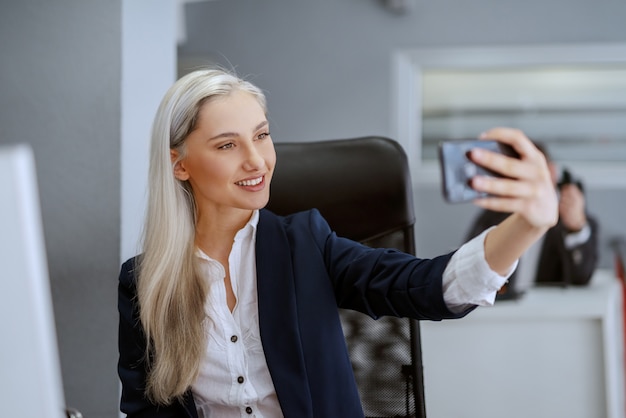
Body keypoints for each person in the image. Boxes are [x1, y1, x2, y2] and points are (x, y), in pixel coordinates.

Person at [117, 67, 558, 418]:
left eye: (261, 135)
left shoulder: (305, 243)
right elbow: (147, 410)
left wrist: (527, 225)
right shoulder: (143, 282)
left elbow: (427, 284)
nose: (257, 160)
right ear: (179, 165)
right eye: (227, 144)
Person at [465, 142, 598, 296]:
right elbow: (471, 269)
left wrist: (575, 229)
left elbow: (580, 277)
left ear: (552, 172)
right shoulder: (494, 215)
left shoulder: (572, 222)